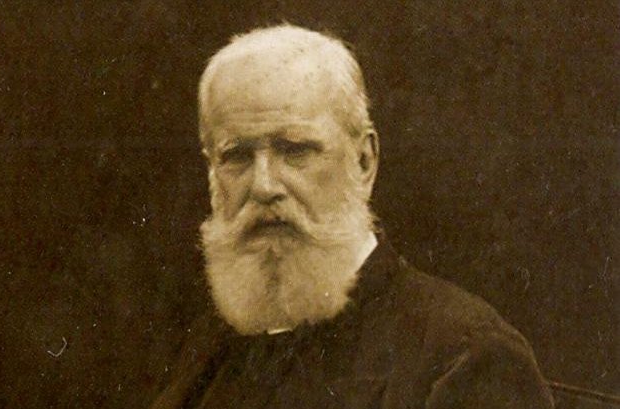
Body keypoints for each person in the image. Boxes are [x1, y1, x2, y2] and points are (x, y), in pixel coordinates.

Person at [149, 24, 554, 408]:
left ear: (364, 161)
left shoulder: (465, 356)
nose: (264, 185)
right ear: (211, 171)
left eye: (295, 150)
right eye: (236, 156)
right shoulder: (209, 353)